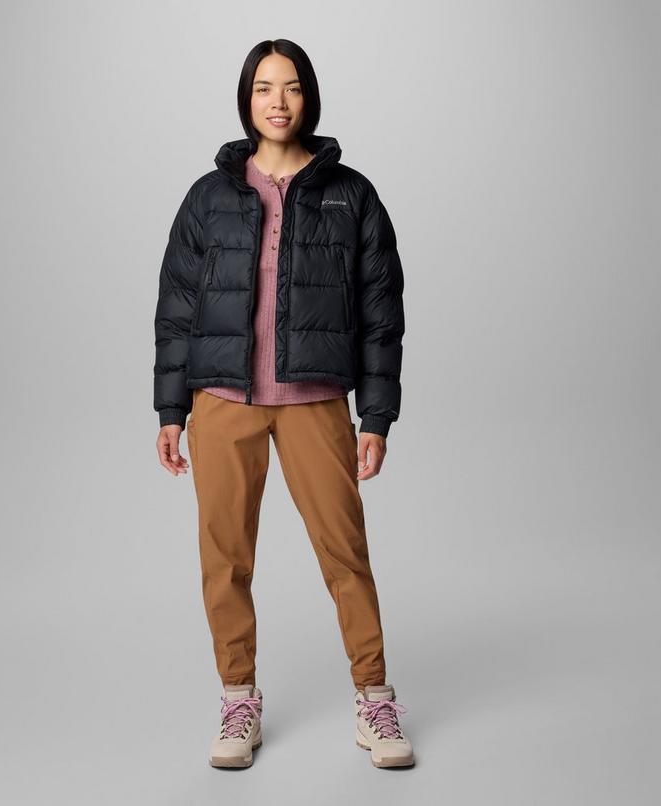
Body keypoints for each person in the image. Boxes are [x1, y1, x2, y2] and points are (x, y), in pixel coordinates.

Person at [153, 38, 415, 770]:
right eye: (264, 87)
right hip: (221, 400)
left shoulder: (351, 194)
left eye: (291, 87)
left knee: (345, 553)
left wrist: (376, 416)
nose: (277, 101)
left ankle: (375, 698)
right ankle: (238, 697)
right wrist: (171, 411)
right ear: (247, 99)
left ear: (309, 97)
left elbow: (381, 311)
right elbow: (177, 306)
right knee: (225, 557)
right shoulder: (208, 197)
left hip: (315, 400)